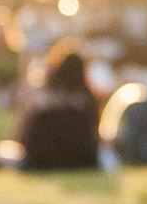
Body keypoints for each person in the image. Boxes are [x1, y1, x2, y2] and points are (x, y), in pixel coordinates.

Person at [14, 38, 103, 171]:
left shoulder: (40, 101)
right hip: (83, 161)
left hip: (41, 162)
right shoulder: (90, 102)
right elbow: (96, 138)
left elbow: (22, 137)